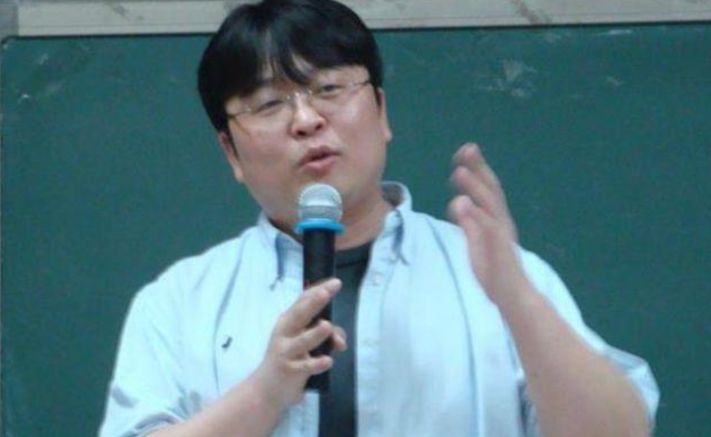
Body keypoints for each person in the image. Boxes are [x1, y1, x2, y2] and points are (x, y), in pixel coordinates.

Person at [99, 0, 659, 436]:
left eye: (329, 88)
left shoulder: (500, 276)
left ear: (382, 111)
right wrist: (265, 392)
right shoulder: (180, 301)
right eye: (269, 104)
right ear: (231, 153)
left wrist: (518, 301)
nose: (306, 120)